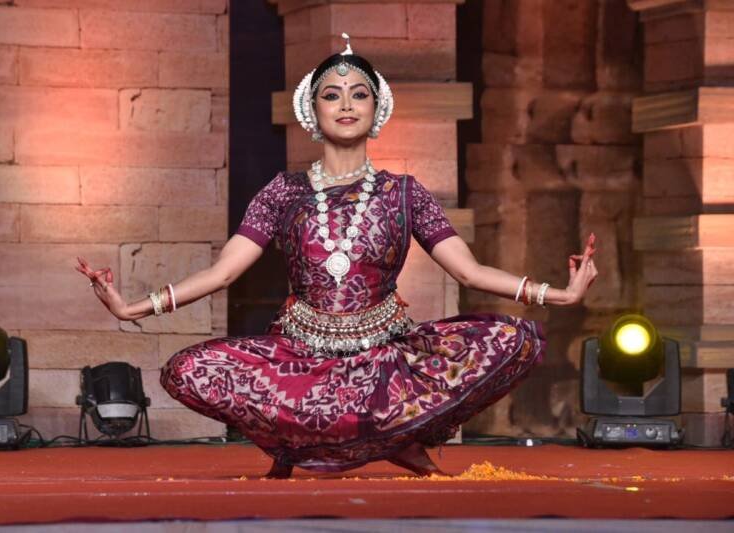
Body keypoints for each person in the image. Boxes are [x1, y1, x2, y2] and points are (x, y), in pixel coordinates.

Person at [76, 34, 598, 479]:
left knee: (510, 338)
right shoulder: (282, 192)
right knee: (187, 370)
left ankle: (396, 436)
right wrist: (131, 307)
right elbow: (224, 273)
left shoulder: (405, 192)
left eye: (359, 94)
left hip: (386, 360)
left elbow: (470, 271)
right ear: (313, 110)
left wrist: (560, 294)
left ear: (376, 109)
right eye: (332, 94)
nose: (346, 104)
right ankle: (294, 440)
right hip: (300, 355)